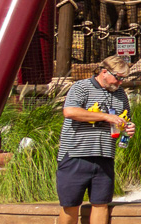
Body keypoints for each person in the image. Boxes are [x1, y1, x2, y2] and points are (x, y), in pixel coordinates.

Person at [58, 56, 135, 224]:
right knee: (70, 205)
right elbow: (70, 111)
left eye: (124, 79)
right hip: (76, 155)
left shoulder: (121, 94)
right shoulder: (81, 87)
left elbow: (124, 121)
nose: (120, 82)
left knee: (101, 204)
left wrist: (127, 130)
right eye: (118, 77)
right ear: (104, 72)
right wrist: (106, 117)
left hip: (105, 156)